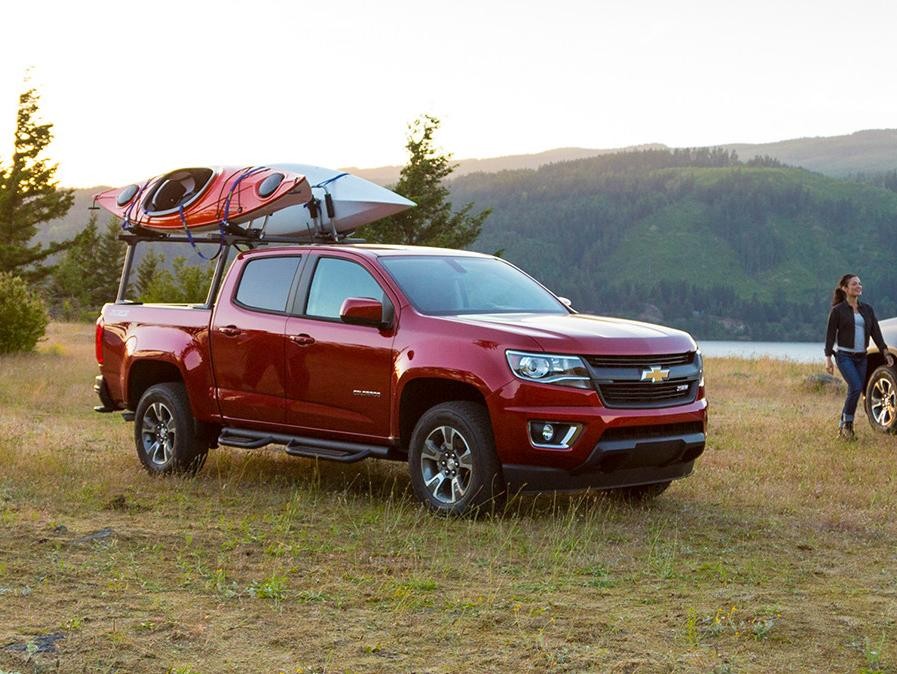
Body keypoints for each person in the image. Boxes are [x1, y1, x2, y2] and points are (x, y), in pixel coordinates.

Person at [824, 274, 894, 440]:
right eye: (854, 284)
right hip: (844, 356)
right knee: (856, 387)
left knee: (854, 390)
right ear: (845, 288)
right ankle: (847, 426)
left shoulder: (867, 309)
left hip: (862, 357)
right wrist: (828, 358)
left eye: (860, 284)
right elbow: (830, 335)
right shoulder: (838, 311)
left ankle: (843, 425)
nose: (858, 286)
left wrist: (885, 352)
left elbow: (876, 333)